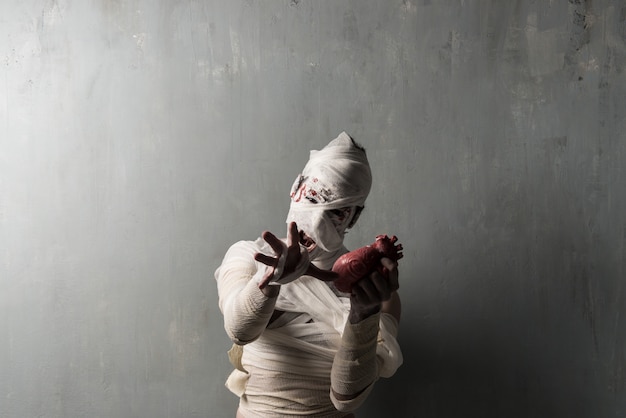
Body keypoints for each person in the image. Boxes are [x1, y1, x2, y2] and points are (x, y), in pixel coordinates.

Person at [214, 132, 403, 417]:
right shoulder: (248, 257)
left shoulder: (375, 293)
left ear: (355, 216)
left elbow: (346, 399)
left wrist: (362, 315)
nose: (316, 220)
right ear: (296, 189)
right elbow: (239, 330)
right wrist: (269, 281)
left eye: (337, 211)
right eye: (314, 196)